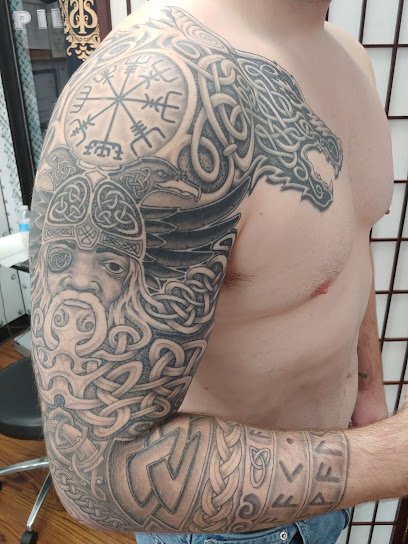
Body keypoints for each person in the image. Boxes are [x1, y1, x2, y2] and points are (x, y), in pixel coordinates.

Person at [29, 1, 407, 543]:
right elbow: (95, 475)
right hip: (222, 524)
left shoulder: (348, 56)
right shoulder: (151, 87)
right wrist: (391, 457)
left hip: (338, 476)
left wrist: (368, 396)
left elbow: (351, 251)